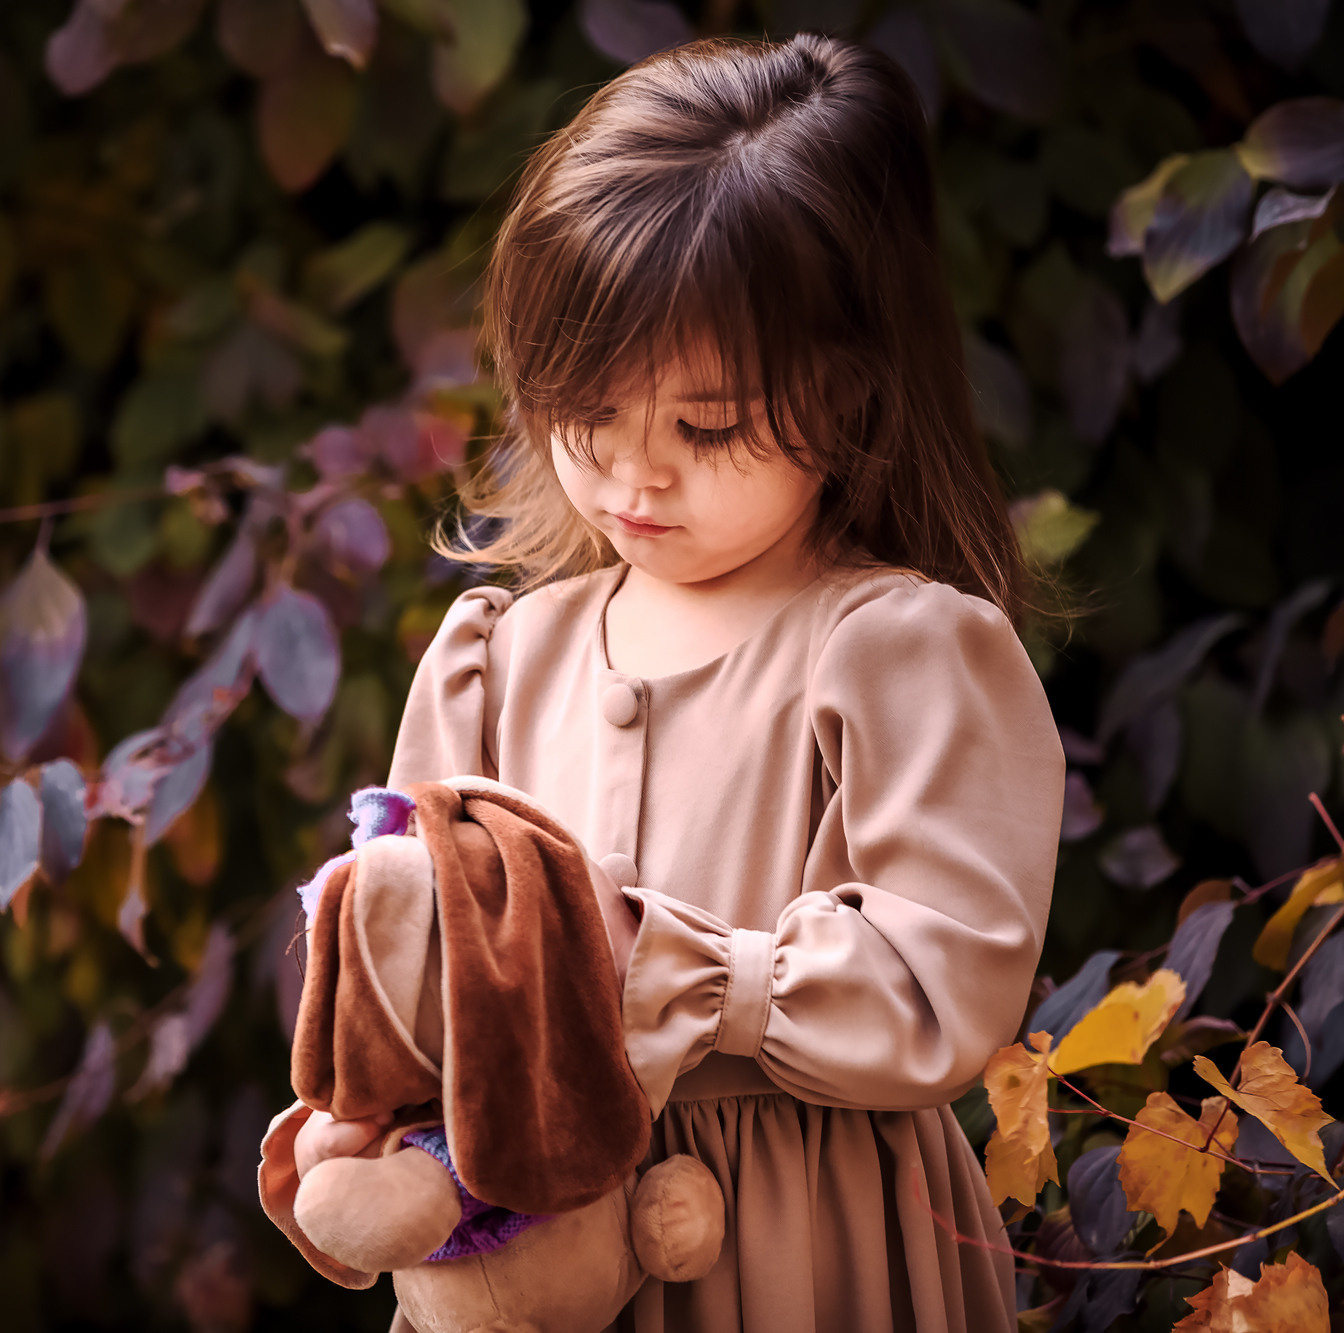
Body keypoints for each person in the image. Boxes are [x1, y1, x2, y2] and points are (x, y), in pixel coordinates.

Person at [292, 32, 1064, 1332]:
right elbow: (415, 946)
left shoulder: (897, 649)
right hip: (526, 1244)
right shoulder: (501, 659)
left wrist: (692, 976)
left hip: (806, 1246)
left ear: (851, 387)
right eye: (584, 417)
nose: (633, 478)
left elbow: (947, 986)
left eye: (703, 429)